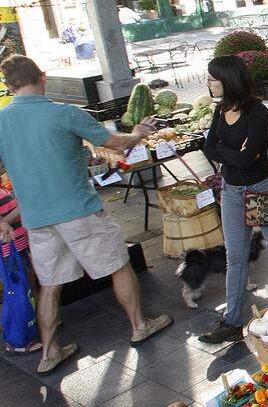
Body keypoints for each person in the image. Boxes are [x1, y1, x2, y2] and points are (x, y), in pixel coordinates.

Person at [0, 56, 171, 374]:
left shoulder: (2, 122)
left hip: (37, 219)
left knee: (50, 285)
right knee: (118, 265)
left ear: (9, 86)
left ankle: (49, 352)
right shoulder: (64, 113)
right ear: (43, 77)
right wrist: (138, 132)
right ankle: (139, 325)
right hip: (78, 211)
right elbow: (116, 143)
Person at [199, 55, 268, 343]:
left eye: (212, 77)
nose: (208, 82)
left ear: (228, 80)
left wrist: (228, 153)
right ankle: (232, 322)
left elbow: (248, 159)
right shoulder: (220, 110)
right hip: (232, 193)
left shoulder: (257, 112)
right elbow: (208, 147)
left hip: (259, 190)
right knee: (235, 256)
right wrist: (235, 154)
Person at [0, 180, 40, 354]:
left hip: (16, 247)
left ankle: (34, 321)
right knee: (17, 292)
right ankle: (18, 341)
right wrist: (23, 207)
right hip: (8, 250)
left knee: (26, 288)